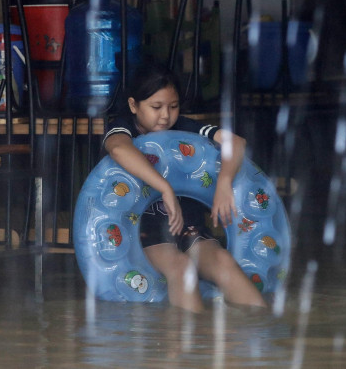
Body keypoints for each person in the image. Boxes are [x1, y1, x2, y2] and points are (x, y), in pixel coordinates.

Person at [102, 64, 267, 312]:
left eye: (173, 106)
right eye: (156, 107)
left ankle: (262, 335)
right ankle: (189, 345)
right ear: (134, 105)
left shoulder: (186, 129)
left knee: (223, 260)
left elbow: (236, 142)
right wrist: (165, 188)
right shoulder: (123, 127)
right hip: (144, 234)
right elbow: (117, 148)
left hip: (190, 230)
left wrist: (223, 183)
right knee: (182, 268)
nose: (166, 116)